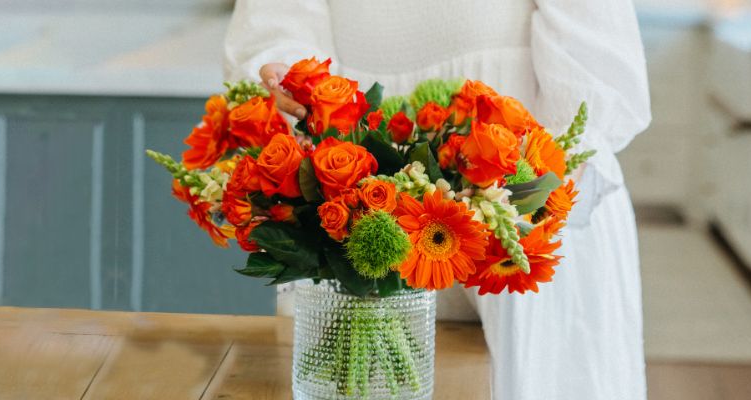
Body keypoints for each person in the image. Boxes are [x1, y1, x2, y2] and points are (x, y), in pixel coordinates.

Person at [223, 1, 651, 398]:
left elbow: (597, 72)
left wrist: (516, 189)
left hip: (521, 222)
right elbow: (274, 28)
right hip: (351, 208)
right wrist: (290, 81)